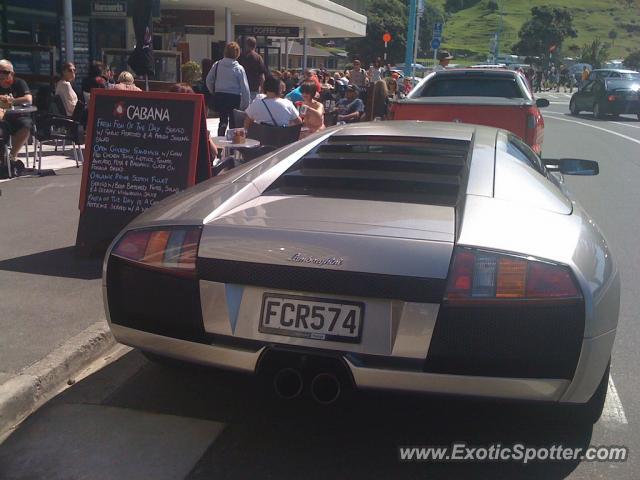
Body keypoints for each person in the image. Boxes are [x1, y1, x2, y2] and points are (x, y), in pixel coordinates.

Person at [206, 41, 251, 137]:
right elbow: (245, 87)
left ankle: (220, 140)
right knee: (234, 123)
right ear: (237, 53)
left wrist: (213, 91)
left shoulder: (217, 65)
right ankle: (232, 145)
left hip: (220, 95)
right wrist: (246, 103)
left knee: (222, 119)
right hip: (234, 97)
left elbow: (208, 80)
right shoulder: (239, 68)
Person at [0, 59, 33, 175]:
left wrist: (11, 101)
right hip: (3, 118)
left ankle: (12, 156)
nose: (1, 75)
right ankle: (3, 161)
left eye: (4, 72)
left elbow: (28, 99)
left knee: (25, 125)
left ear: (12, 73)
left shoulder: (19, 83)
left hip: (19, 116)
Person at [238, 36, 269, 101]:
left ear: (246, 45)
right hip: (254, 89)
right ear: (255, 45)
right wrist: (262, 89)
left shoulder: (241, 57)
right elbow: (261, 75)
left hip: (241, 89)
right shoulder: (258, 58)